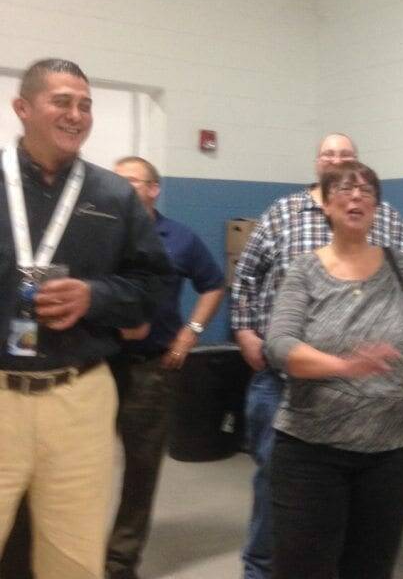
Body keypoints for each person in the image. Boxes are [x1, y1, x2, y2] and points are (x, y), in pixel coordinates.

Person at [0, 58, 170, 579]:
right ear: (23, 108)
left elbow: (152, 288)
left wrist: (94, 298)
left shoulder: (114, 195)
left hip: (80, 397)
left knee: (73, 559)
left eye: (85, 104)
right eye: (62, 101)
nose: (77, 114)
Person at [231, 132, 403, 579]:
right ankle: (260, 570)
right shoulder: (282, 213)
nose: (337, 162)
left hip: (371, 402)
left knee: (352, 520)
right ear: (318, 164)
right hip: (284, 385)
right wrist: (243, 331)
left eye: (346, 157)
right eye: (329, 156)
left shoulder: (388, 220)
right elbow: (246, 276)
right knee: (275, 485)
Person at [264, 160, 403, 579]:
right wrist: (345, 366)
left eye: (367, 190)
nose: (356, 196)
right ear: (326, 206)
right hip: (313, 451)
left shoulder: (399, 266)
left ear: (376, 208)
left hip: (396, 451)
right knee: (302, 569)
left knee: (370, 567)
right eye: (345, 189)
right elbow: (280, 346)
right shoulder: (304, 270)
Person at [106, 156, 225, 579]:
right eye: (114, 180)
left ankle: (119, 564)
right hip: (94, 367)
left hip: (150, 370)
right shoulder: (98, 231)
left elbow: (213, 284)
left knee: (141, 470)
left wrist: (190, 332)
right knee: (79, 465)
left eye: (130, 181)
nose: (119, 187)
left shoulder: (180, 238)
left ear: (154, 188)